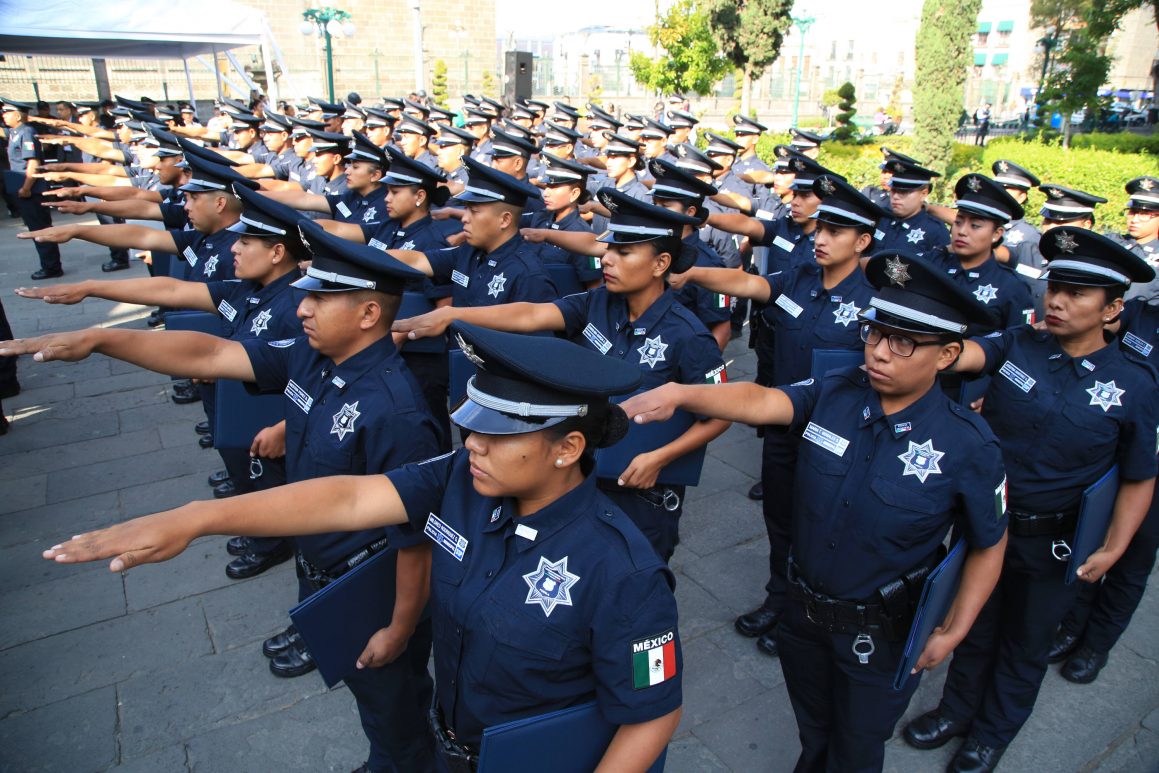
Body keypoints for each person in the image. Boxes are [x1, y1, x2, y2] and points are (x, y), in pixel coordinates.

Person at [29, 321, 683, 773]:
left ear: (567, 447)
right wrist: (197, 516)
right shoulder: (464, 478)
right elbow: (345, 498)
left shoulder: (622, 568)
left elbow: (650, 713)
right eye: (472, 427)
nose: (473, 444)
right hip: (452, 740)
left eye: (497, 434)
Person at [7, 222, 444, 773]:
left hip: (371, 588)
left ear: (368, 315)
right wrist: (105, 339)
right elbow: (212, 355)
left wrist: (401, 627)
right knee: (365, 693)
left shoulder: (398, 413)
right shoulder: (315, 357)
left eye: (321, 298)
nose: (302, 308)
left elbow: (416, 540)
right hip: (322, 566)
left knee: (392, 698)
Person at [618, 251, 1009, 772]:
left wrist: (955, 628)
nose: (880, 353)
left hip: (880, 635)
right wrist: (683, 392)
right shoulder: (838, 390)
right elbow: (762, 401)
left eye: (904, 342)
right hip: (803, 616)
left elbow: (988, 541)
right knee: (814, 727)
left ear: (946, 355)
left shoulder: (968, 445)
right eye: (874, 333)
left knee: (857, 746)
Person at [903, 227, 1159, 773]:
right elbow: (967, 354)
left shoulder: (1136, 384)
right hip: (986, 525)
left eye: (1078, 293)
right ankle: (956, 710)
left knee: (1026, 643)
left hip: (1054, 543)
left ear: (1113, 307)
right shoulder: (1019, 343)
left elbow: (1139, 476)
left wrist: (1113, 548)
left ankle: (992, 735)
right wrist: (918, 341)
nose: (1058, 301)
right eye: (1055, 287)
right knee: (970, 625)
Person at [395, 189, 730, 563]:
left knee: (633, 574)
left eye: (624, 252)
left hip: (640, 491)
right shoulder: (598, 303)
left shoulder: (690, 335)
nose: (607, 258)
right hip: (582, 472)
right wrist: (453, 317)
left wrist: (660, 458)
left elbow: (720, 413)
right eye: (609, 248)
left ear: (660, 263)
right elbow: (530, 315)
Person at [673, 175, 885, 659]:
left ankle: (807, 613)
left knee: (821, 525)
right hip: (787, 425)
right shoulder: (801, 280)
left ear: (863, 241)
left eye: (835, 232)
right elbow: (749, 283)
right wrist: (694, 275)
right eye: (821, 229)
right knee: (781, 518)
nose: (822, 239)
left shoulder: (874, 298)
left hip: (839, 437)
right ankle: (779, 598)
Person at [1046, 290, 1159, 685]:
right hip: (1113, 447)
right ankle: (1073, 627)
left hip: (1152, 466)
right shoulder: (1143, 313)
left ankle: (1098, 644)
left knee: (1130, 560)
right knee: (1091, 545)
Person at [929, 174, 1036, 327]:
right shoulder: (932, 263)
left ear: (996, 234)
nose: (962, 231)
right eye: (958, 222)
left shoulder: (1012, 287)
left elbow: (1019, 340)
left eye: (975, 226)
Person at [2, 97, 63, 279]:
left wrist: (27, 187)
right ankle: (49, 264)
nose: (4, 116)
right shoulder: (15, 132)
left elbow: (33, 162)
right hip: (22, 187)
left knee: (40, 228)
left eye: (7, 113)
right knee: (35, 228)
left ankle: (52, 267)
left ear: (18, 116)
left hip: (31, 190)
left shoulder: (27, 132)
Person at [873, 156, 950, 258]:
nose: (895, 196)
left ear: (923, 194)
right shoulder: (881, 218)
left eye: (904, 192)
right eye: (893, 190)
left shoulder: (935, 230)